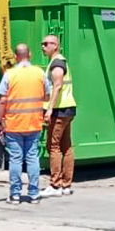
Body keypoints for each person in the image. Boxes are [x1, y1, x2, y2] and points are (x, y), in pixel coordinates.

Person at [0, 42, 49, 205]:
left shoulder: (10, 75)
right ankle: (33, 194)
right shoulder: (39, 73)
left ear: (16, 57)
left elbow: (2, 102)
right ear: (30, 55)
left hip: (14, 124)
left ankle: (15, 195)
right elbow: (47, 95)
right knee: (32, 158)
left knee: (16, 160)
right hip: (34, 122)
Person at [42, 34, 77, 196]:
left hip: (60, 110)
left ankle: (55, 185)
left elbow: (57, 86)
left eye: (47, 43)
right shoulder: (59, 61)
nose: (43, 46)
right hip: (68, 108)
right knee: (66, 146)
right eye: (42, 44)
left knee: (53, 146)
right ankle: (66, 185)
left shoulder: (57, 64)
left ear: (55, 46)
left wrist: (49, 109)